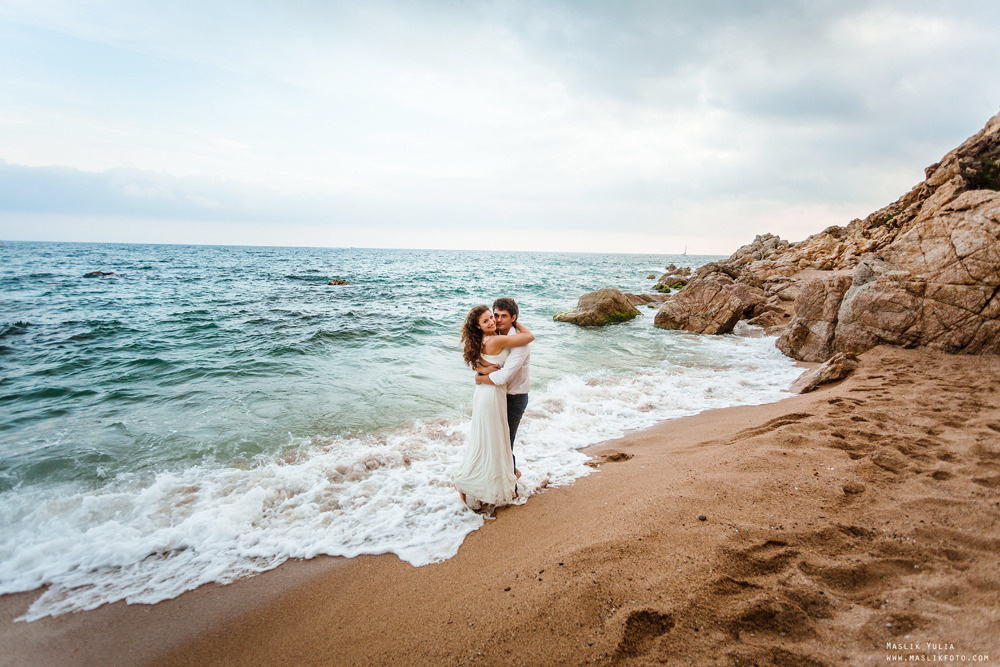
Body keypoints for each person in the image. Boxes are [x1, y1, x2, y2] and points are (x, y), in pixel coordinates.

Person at [453, 305, 534, 508]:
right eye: (487, 320)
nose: (493, 321)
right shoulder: (495, 339)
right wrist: (516, 322)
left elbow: (478, 364)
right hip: (491, 394)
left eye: (493, 317)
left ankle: (502, 476)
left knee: (488, 441)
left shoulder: (482, 340)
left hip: (488, 394)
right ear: (478, 326)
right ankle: (469, 482)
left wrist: (480, 374)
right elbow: (530, 337)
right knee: (494, 442)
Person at [474, 298, 530, 484]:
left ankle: (510, 484)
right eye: (495, 315)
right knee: (493, 442)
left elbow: (502, 377)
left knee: (506, 444)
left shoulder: (520, 343)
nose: (497, 320)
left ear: (513, 318)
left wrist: (479, 379)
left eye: (503, 316)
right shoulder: (494, 335)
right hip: (497, 396)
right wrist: (480, 367)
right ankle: (501, 477)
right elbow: (478, 358)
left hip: (515, 398)